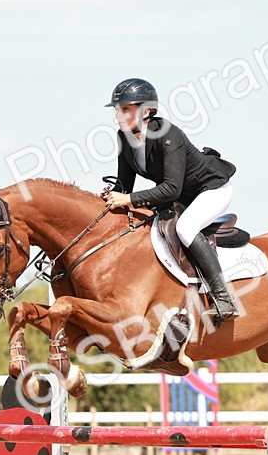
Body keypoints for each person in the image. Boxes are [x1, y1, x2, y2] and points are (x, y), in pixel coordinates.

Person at [102, 77, 241, 323]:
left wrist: (128, 198)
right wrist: (111, 196)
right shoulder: (124, 138)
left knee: (186, 228)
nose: (118, 116)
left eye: (125, 109)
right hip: (179, 193)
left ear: (147, 111)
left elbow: (171, 189)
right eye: (117, 110)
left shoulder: (168, 135)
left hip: (210, 189)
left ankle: (224, 298)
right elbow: (125, 185)